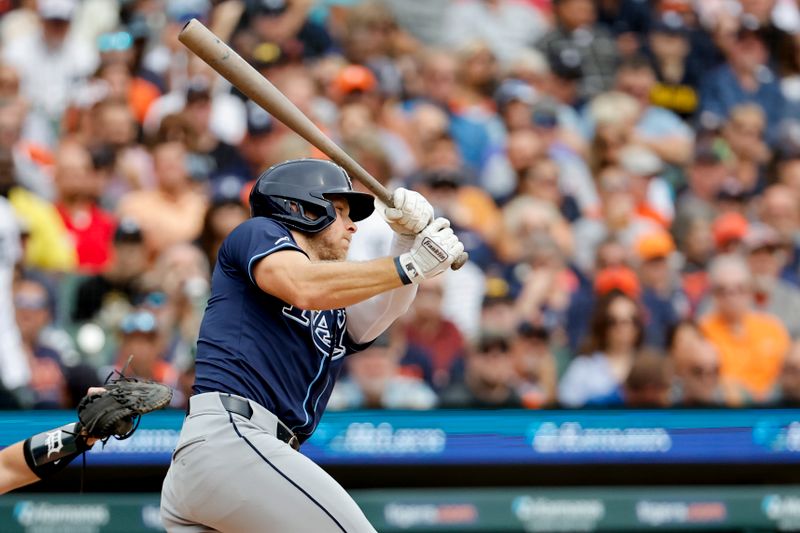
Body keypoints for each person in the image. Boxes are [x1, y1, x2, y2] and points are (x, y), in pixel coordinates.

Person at [160, 159, 464, 532]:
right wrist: (408, 264)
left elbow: (383, 310)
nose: (352, 225)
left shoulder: (332, 299)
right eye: (339, 211)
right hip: (233, 440)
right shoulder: (258, 232)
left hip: (233, 463)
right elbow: (303, 285)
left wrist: (404, 243)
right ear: (301, 208)